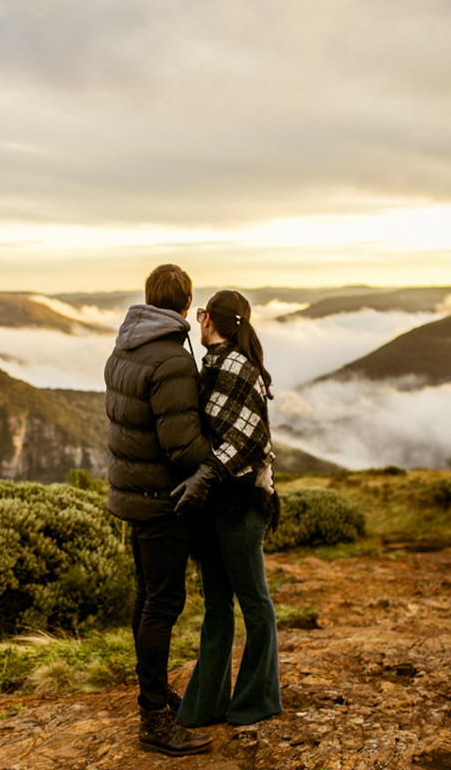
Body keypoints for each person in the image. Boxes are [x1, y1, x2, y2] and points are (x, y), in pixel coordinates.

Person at [104, 264, 215, 756]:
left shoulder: (124, 348)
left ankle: (153, 698)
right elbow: (180, 446)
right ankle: (153, 717)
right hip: (160, 500)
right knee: (163, 603)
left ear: (150, 299)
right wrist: (219, 459)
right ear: (186, 304)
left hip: (132, 493)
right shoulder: (171, 358)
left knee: (146, 596)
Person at [172, 289, 283, 728]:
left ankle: (257, 700)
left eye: (202, 314)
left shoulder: (236, 368)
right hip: (216, 503)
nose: (199, 321)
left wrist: (205, 475)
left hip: (240, 503)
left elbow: (248, 442)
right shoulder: (216, 364)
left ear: (211, 321)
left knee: (253, 601)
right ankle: (206, 705)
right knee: (218, 605)